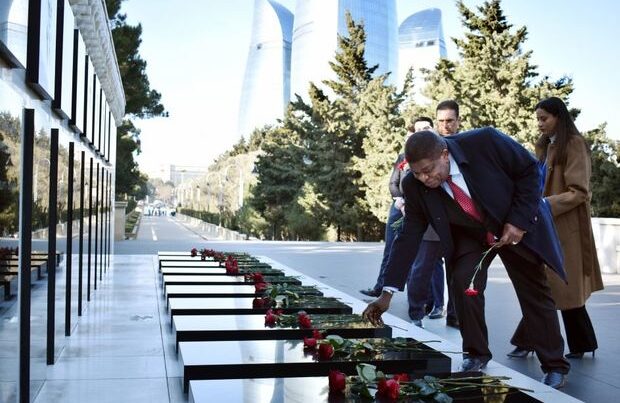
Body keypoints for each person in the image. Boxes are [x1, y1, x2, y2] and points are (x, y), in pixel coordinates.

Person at [362, 128, 570, 389]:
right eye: (417, 173)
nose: (425, 178)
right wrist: (387, 293)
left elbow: (529, 170)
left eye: (428, 170)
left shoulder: (485, 142)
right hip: (470, 234)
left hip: (512, 221)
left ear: (445, 154)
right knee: (463, 282)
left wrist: (517, 221)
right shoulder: (414, 185)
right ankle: (476, 353)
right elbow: (408, 237)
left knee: (534, 293)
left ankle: (555, 366)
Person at [507, 97, 604, 360]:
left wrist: (543, 204)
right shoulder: (545, 146)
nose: (539, 124)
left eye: (544, 118)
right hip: (544, 223)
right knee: (554, 286)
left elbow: (579, 191)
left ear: (558, 118)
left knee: (552, 286)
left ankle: (526, 341)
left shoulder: (573, 144)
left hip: (565, 228)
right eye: (537, 118)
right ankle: (582, 342)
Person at [360, 117, 436, 305]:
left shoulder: (439, 153)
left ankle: (427, 301)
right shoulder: (404, 157)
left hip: (424, 208)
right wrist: (399, 201)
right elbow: (394, 182)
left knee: (427, 258)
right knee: (394, 247)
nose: (421, 131)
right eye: (418, 129)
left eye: (426, 128)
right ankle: (382, 286)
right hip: (401, 204)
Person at [434, 100, 461, 328]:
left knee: (464, 274)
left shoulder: (467, 146)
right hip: (441, 224)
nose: (446, 126)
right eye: (441, 121)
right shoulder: (429, 149)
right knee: (449, 269)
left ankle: (456, 313)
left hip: (468, 224)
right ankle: (452, 312)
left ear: (458, 121)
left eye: (450, 121)